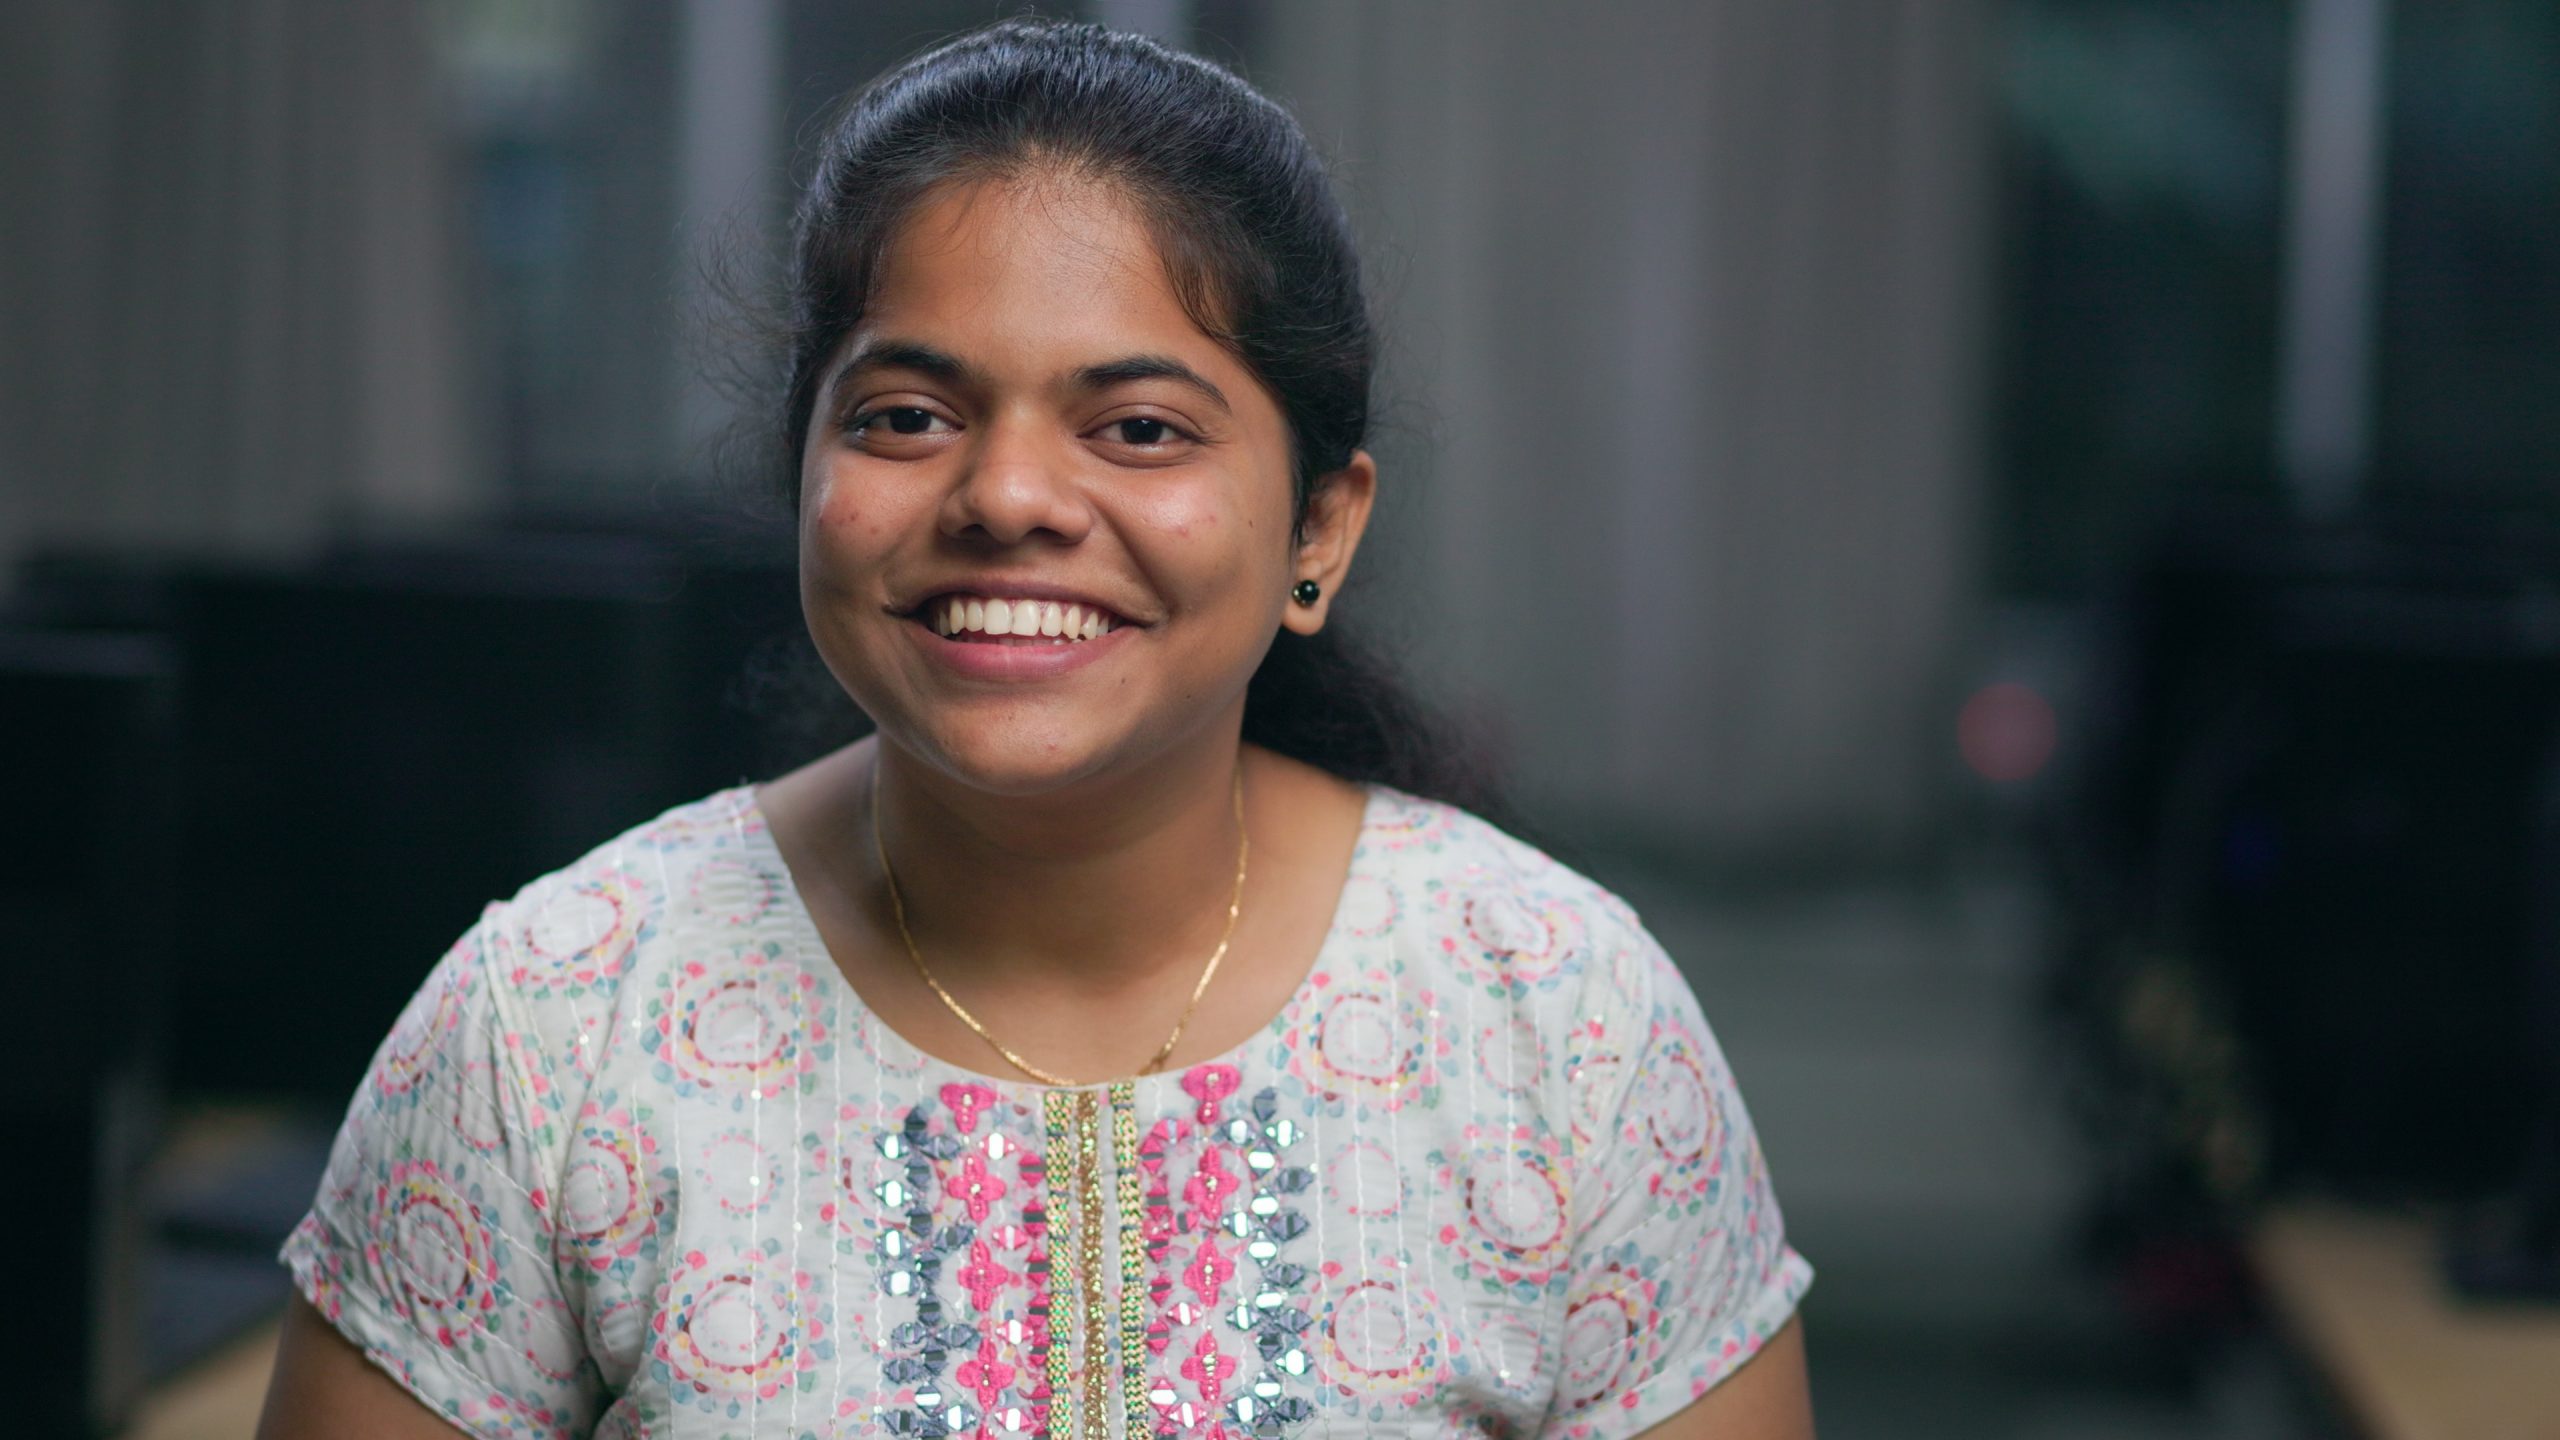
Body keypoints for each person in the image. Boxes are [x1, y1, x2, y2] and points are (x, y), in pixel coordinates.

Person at [256, 18, 1814, 1439]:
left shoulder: (1564, 1021)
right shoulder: (548, 1028)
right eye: (907, 417)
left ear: (1319, 531)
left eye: (1137, 428)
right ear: (805, 474)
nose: (1005, 496)